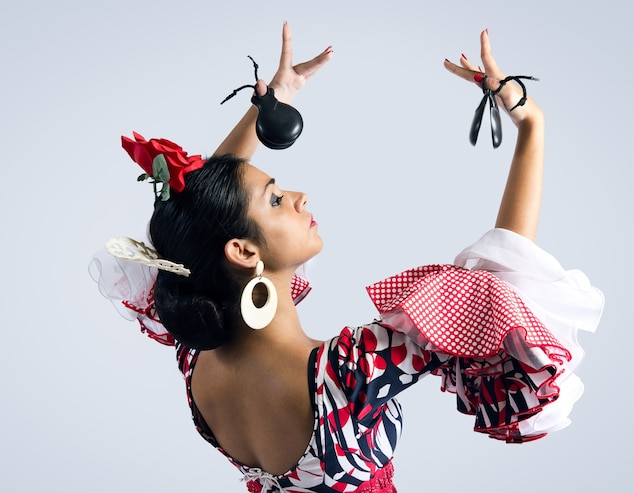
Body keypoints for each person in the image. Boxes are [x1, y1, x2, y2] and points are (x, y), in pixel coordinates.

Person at [90, 22, 604, 493]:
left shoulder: (195, 353)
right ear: (243, 251)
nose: (299, 196)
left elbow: (194, 223)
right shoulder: (349, 374)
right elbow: (500, 283)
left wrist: (271, 103)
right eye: (274, 198)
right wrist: (531, 126)